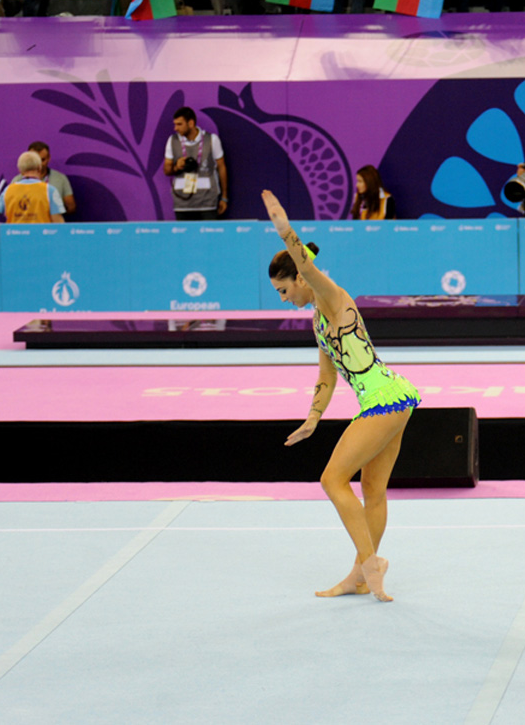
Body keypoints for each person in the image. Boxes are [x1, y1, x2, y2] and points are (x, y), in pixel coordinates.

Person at [263, 190, 420, 601]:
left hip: (385, 399)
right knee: (373, 489)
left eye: (284, 291)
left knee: (332, 479)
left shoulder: (332, 298)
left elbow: (304, 264)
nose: (286, 300)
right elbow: (327, 376)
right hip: (394, 399)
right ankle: (359, 577)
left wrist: (284, 230)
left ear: (300, 277)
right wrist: (313, 418)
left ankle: (371, 563)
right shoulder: (319, 322)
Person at [163, 106, 228, 221]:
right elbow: (167, 170)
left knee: (209, 238)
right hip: (182, 204)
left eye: (179, 124)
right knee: (184, 239)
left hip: (207, 203)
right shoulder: (172, 141)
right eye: (175, 124)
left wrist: (224, 197)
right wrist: (176, 167)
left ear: (191, 123)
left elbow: (221, 167)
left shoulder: (212, 140)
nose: (175, 128)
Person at [0, 151, 67, 223]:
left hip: (13, 237)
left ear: (19, 170)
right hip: (41, 237)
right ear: (39, 167)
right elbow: (58, 222)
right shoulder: (50, 190)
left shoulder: (8, 190)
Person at [11, 141, 76, 216]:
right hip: (25, 224)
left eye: (42, 160)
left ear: (49, 158)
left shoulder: (60, 179)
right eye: (35, 160)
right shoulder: (17, 181)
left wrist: (55, 210)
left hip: (51, 225)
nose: (39, 164)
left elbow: (71, 207)